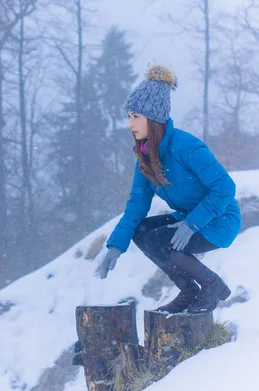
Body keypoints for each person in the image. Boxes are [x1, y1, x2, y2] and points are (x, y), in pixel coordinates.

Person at [97, 64, 241, 314]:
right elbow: (136, 206)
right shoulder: (145, 156)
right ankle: (188, 290)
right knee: (142, 232)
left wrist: (191, 224)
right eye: (129, 116)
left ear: (153, 119)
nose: (130, 124)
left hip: (220, 220)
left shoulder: (186, 146)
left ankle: (212, 285)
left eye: (135, 116)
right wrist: (115, 245)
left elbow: (225, 187)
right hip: (190, 219)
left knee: (159, 240)